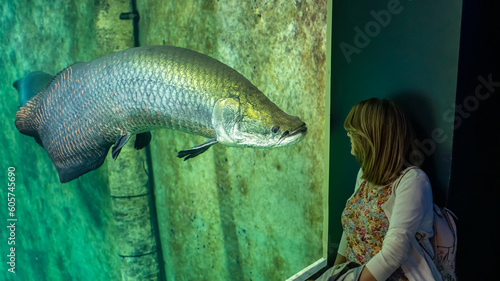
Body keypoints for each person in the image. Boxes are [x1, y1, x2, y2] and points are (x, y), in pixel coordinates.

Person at [331, 98, 441, 281]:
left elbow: (394, 251)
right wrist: (334, 273)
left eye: (353, 131)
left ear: (373, 136)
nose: (348, 134)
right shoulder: (364, 174)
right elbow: (351, 231)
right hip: (354, 274)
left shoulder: (413, 181)